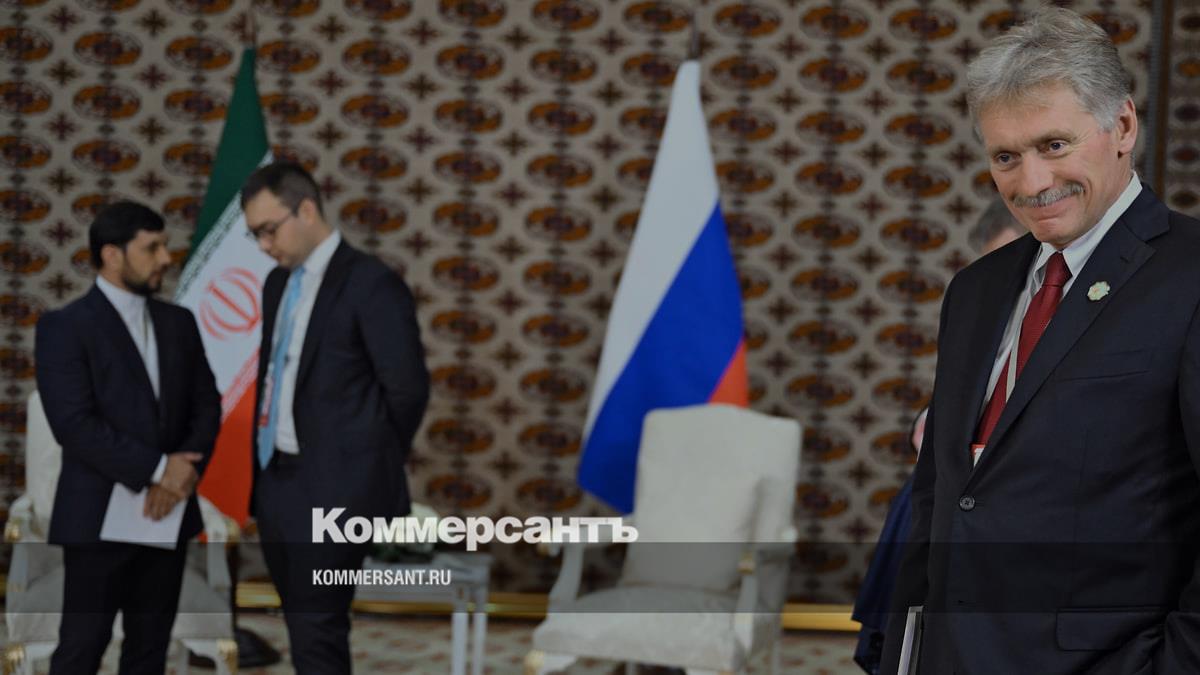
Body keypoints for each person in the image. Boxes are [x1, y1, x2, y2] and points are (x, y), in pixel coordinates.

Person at [882, 7, 1200, 673]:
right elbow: (944, 494)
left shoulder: (1190, 275)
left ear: (1123, 126)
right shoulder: (975, 289)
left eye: (1054, 145)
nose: (1031, 184)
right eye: (1006, 156)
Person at [242, 161, 429, 673]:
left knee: (317, 627)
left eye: (269, 230)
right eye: (255, 234)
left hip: (339, 488)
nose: (264, 245)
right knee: (304, 622)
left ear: (306, 210)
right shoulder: (276, 285)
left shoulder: (371, 283)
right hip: (278, 480)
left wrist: (363, 463)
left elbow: (407, 390)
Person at [34, 201, 220, 674]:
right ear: (112, 255)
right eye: (152, 248)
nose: (166, 258)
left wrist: (180, 474)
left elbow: (207, 406)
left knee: (149, 653)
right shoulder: (64, 326)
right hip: (97, 518)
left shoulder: (180, 322)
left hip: (167, 517)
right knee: (80, 651)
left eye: (165, 246)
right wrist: (159, 470)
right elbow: (74, 424)